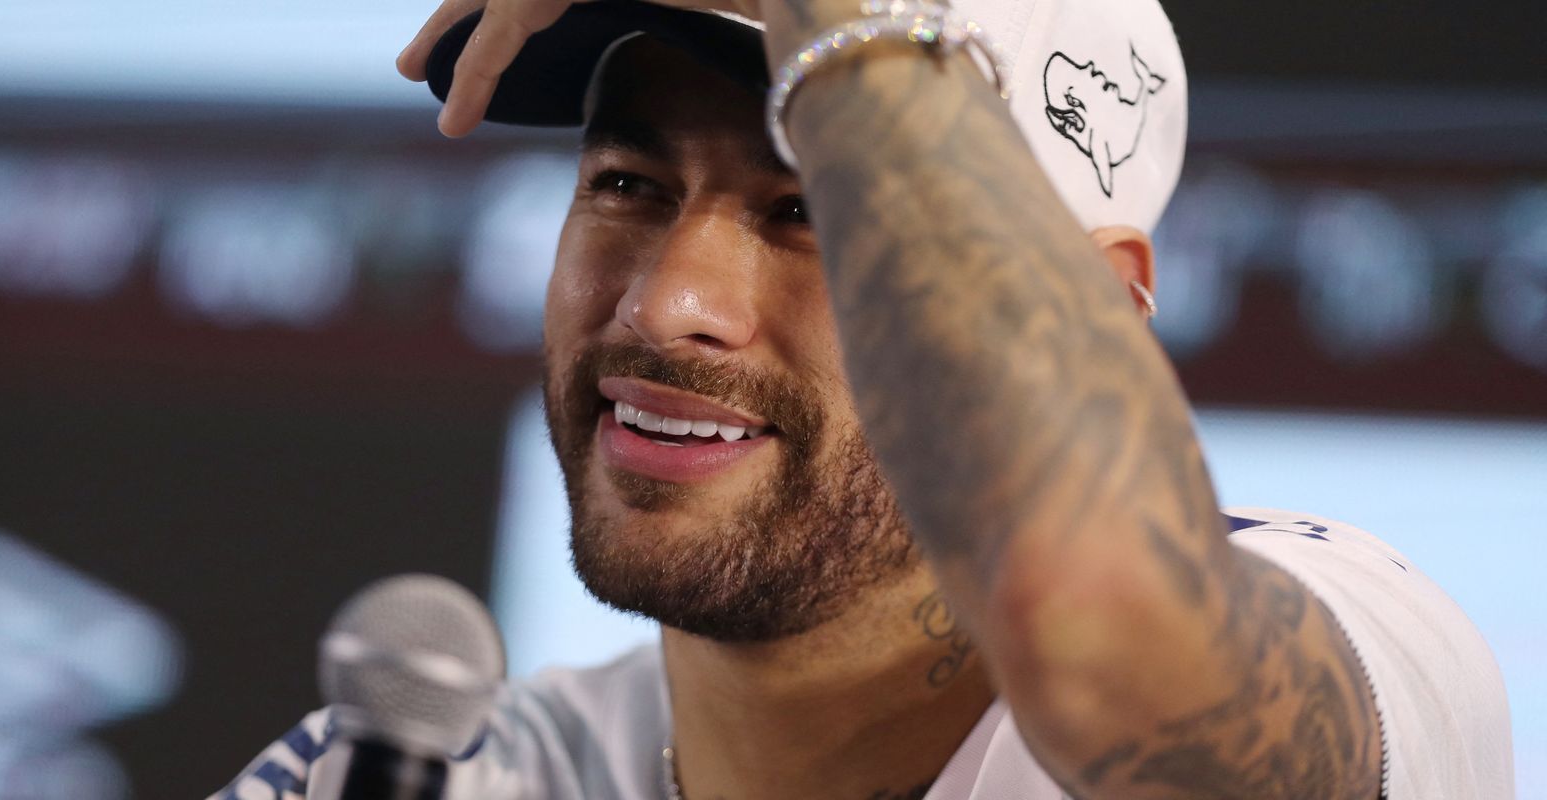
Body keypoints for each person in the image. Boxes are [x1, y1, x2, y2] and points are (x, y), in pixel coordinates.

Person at [213, 0, 1513, 796]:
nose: (667, 303)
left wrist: (841, 31)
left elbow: (1114, 657)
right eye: (627, 186)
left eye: (815, 212)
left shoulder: (1363, 639)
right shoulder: (419, 776)